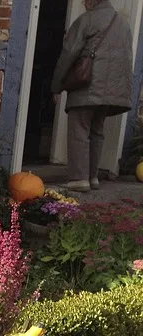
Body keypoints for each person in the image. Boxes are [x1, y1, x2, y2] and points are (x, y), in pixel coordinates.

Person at [51, 0, 133, 192]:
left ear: (90, 1)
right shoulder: (124, 25)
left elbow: (69, 53)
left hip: (86, 87)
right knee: (96, 131)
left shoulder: (86, 20)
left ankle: (79, 179)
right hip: (111, 92)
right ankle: (92, 176)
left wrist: (56, 86)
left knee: (79, 129)